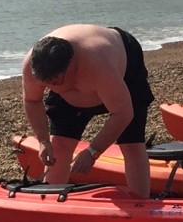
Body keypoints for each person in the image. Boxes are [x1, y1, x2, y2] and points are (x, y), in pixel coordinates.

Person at [22, 25, 154, 197]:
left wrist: (93, 151)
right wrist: (43, 141)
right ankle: (51, 200)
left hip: (124, 64)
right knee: (59, 145)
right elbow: (32, 100)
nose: (51, 86)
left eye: (55, 81)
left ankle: (141, 203)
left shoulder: (99, 65)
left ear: (71, 65)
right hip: (71, 82)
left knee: (132, 145)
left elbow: (123, 113)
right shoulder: (33, 66)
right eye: (46, 83)